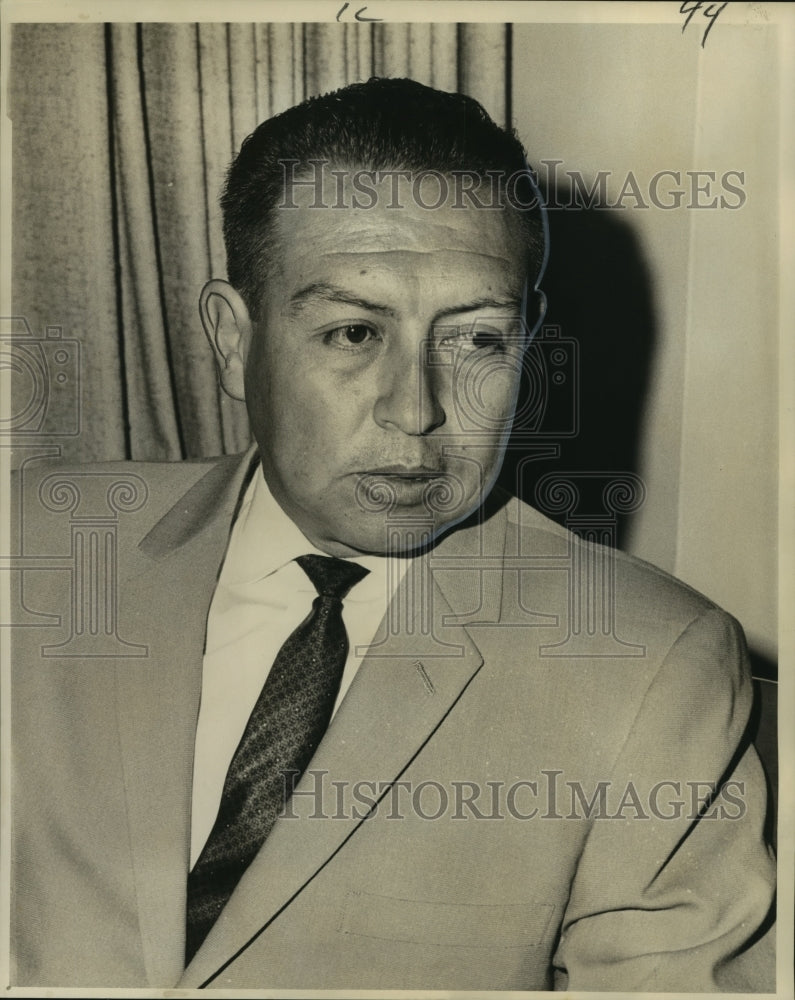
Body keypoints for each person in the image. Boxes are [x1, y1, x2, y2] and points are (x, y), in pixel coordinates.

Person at [10, 78, 775, 991]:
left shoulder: (653, 664)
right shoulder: (34, 548)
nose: (415, 412)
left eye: (478, 341)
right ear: (230, 339)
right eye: (351, 332)